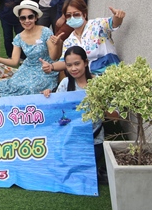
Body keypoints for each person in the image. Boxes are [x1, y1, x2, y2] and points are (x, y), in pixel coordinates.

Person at [42, 46, 107, 184]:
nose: (73, 69)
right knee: (56, 163)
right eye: (69, 65)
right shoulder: (65, 83)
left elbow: (114, 114)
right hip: (69, 138)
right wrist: (48, 96)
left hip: (93, 140)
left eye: (77, 64)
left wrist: (100, 105)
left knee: (79, 166)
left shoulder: (99, 83)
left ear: (85, 62)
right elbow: (56, 112)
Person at [0, 0, 59, 96]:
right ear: (19, 19)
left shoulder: (45, 31)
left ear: (36, 17)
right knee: (13, 85)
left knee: (30, 88)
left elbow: (54, 57)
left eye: (30, 17)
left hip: (46, 69)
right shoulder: (19, 37)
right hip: (28, 67)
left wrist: (57, 44)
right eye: (23, 18)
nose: (27, 21)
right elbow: (14, 61)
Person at [46, 0, 126, 76]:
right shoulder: (69, 41)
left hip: (110, 73)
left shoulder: (97, 24)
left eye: (76, 14)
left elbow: (113, 23)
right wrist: (51, 66)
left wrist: (118, 17)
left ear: (84, 14)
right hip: (88, 78)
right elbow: (64, 62)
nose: (72, 18)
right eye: (68, 15)